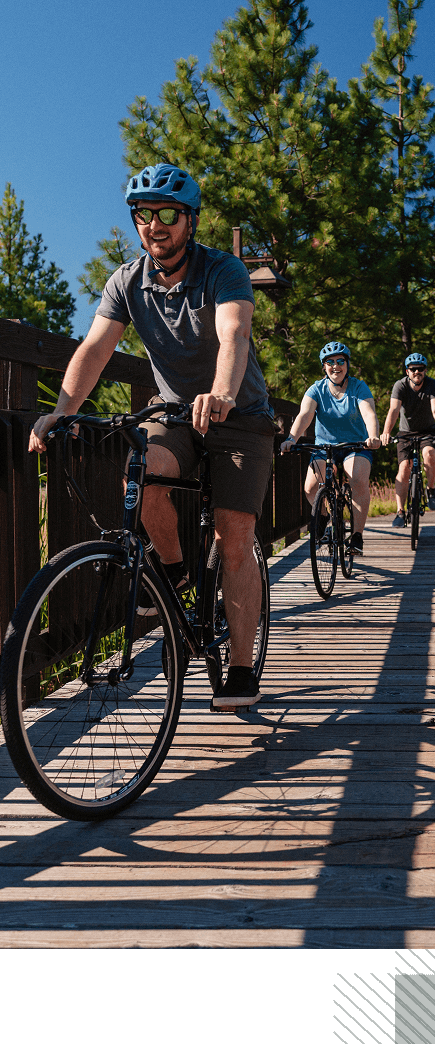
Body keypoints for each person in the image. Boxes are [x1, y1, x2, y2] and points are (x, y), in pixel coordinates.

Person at [29, 163, 277, 710]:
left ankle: (239, 667)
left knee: (234, 535)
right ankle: (173, 573)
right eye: (144, 215)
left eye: (167, 214)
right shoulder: (126, 280)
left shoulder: (223, 269)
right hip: (174, 412)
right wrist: (62, 412)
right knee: (143, 473)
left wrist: (221, 392)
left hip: (240, 414)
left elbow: (233, 330)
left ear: (189, 219)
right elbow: (95, 349)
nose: (155, 225)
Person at [280, 342, 381, 555]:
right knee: (310, 487)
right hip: (324, 445)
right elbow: (304, 415)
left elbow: (369, 413)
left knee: (358, 478)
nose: (336, 366)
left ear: (347, 364)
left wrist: (373, 436)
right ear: (324, 367)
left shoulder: (358, 387)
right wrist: (291, 438)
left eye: (340, 361)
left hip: (356, 445)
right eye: (330, 362)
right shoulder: (316, 389)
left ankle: (356, 536)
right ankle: (326, 515)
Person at [380, 352, 435, 526]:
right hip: (405, 432)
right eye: (413, 369)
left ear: (425, 371)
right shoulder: (400, 386)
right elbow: (394, 410)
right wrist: (386, 432)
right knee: (404, 468)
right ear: (407, 371)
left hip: (427, 431)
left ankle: (431, 489)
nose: (416, 372)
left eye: (420, 369)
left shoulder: (432, 385)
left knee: (429, 454)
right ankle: (400, 512)